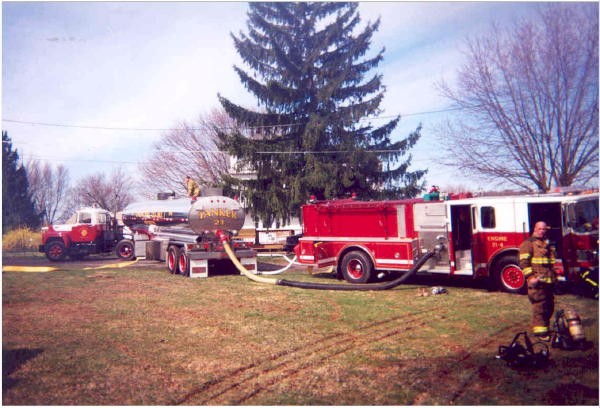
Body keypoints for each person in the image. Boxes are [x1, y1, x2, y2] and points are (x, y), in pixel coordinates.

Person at [519, 221, 557, 341]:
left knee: (549, 306)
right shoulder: (528, 244)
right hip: (537, 282)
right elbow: (523, 263)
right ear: (535, 229)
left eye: (544, 229)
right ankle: (540, 333)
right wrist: (531, 278)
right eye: (540, 229)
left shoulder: (546, 243)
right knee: (540, 307)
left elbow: (550, 262)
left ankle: (545, 327)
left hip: (548, 280)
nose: (542, 231)